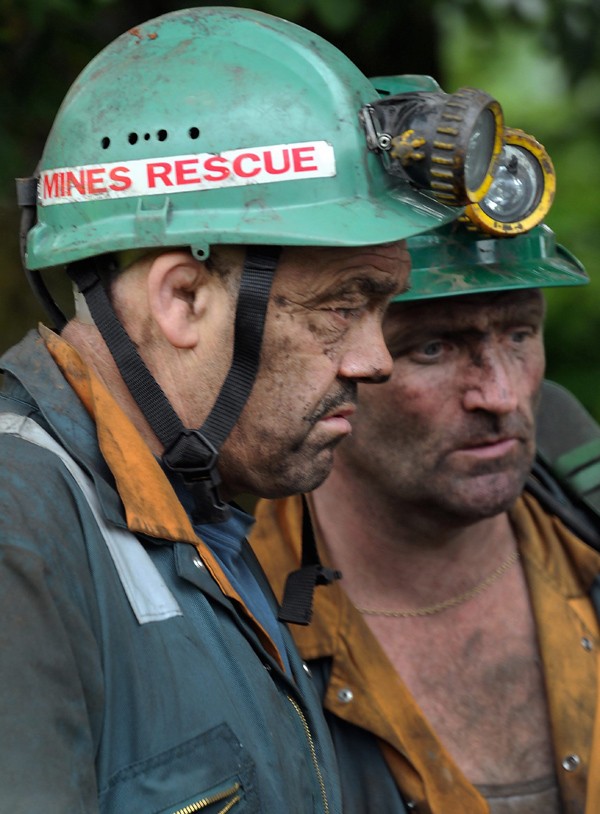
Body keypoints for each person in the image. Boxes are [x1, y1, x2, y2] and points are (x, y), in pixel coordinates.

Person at [0, 8, 469, 812]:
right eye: (339, 306)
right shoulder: (23, 536)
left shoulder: (204, 515)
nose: (375, 360)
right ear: (183, 300)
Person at [251, 221, 600, 814]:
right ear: (336, 366)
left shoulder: (583, 521)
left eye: (520, 334)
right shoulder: (237, 610)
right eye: (433, 348)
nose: (501, 395)